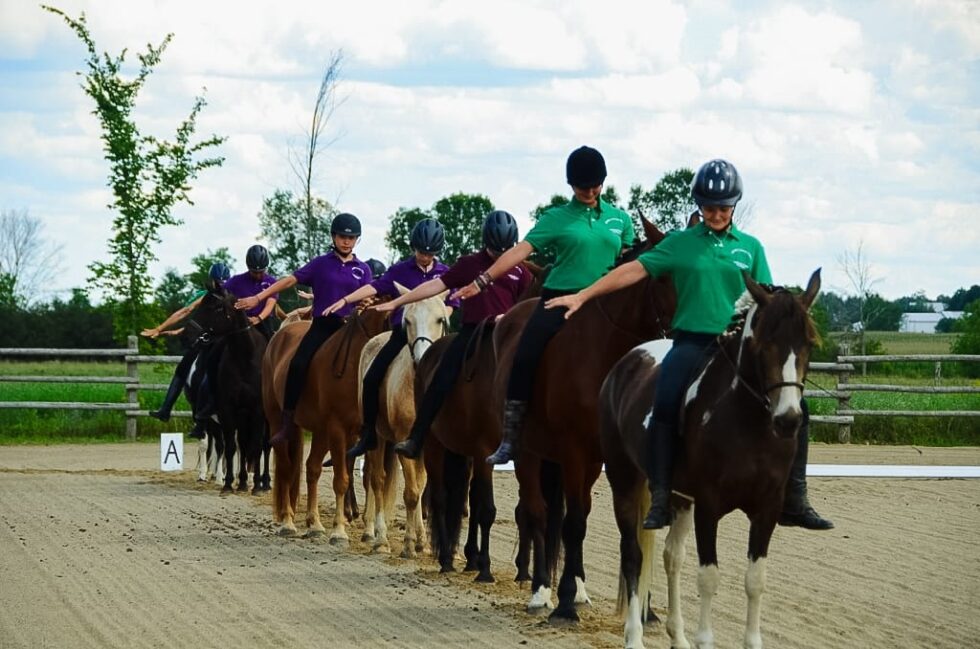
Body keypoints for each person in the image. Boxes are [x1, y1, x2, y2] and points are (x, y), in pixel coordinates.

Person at [545, 158, 833, 531]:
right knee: (664, 400)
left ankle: (795, 497)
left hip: (736, 345)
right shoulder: (680, 245)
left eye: (723, 207)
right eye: (709, 207)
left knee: (799, 406)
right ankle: (662, 493)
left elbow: (767, 297)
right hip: (692, 343)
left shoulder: (751, 247)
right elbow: (633, 271)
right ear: (699, 205)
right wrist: (583, 296)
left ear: (734, 206)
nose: (715, 214)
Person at [452, 145, 635, 465]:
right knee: (525, 353)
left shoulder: (619, 220)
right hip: (558, 299)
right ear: (571, 186)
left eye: (595, 185)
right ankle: (511, 434)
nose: (590, 191)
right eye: (582, 186)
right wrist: (482, 281)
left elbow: (632, 262)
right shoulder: (556, 218)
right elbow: (519, 252)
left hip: (604, 303)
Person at [371, 210, 531, 459]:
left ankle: (522, 436)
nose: (500, 254)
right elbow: (435, 286)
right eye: (494, 249)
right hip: (472, 331)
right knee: (441, 377)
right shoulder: (468, 264)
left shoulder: (520, 270)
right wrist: (398, 302)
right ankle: (417, 437)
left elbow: (526, 302)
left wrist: (511, 318)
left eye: (505, 249)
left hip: (505, 334)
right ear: (485, 242)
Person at [234, 213, 373, 449]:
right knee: (298, 363)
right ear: (333, 236)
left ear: (357, 240)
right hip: (324, 325)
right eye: (342, 236)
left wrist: (367, 303)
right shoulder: (320, 264)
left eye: (351, 237)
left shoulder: (363, 269)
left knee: (373, 369)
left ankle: (369, 426)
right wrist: (259, 296)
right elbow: (290, 280)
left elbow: (369, 296)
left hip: (351, 328)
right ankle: (288, 420)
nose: (346, 241)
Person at [335, 218, 459, 461]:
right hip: (403, 333)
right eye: (422, 251)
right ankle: (369, 434)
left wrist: (438, 315)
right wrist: (347, 300)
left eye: (431, 253)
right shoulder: (400, 270)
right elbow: (374, 288)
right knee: (372, 377)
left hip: (435, 335)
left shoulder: (446, 274)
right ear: (413, 247)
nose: (425, 257)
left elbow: (453, 304)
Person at [142, 262, 231, 439]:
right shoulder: (209, 295)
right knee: (184, 367)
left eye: (221, 282)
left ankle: (192, 416)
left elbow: (186, 312)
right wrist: (170, 329)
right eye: (218, 282)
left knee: (205, 372)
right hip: (209, 338)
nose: (220, 285)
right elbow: (192, 317)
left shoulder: (220, 296)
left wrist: (160, 328)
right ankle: (166, 409)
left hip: (221, 340)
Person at [222, 244, 279, 339]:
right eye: (254, 272)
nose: (257, 275)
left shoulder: (272, 282)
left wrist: (259, 318)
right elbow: (217, 292)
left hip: (263, 321)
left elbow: (270, 304)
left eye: (261, 272)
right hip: (240, 321)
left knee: (272, 344)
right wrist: (194, 305)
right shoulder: (236, 280)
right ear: (248, 267)